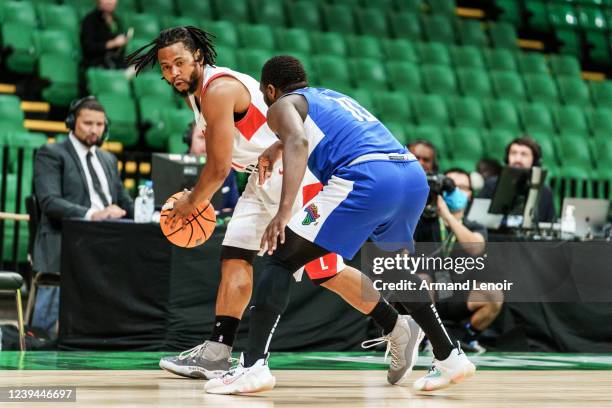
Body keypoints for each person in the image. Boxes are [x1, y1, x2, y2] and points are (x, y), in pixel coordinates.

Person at [126, 27, 421, 384]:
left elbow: (218, 168)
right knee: (235, 252)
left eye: (179, 63)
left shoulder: (218, 90)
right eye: (166, 66)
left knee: (324, 269)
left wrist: (191, 202)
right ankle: (217, 352)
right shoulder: (201, 92)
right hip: (262, 174)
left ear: (199, 58)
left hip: (297, 177)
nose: (173, 72)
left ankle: (397, 324)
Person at [204, 56, 475, 395]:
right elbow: (308, 134)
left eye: (264, 92)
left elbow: (298, 142)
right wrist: (275, 148)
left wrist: (283, 211)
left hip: (367, 177)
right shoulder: (329, 96)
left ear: (270, 89)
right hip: (409, 175)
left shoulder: (281, 104)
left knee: (279, 256)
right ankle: (449, 355)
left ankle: (253, 366)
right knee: (390, 269)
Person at [32, 96, 133, 333]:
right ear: (71, 122)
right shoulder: (51, 153)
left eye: (99, 125)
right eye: (88, 123)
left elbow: (125, 202)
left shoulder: (108, 159)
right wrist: (93, 214)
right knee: (44, 331)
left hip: (106, 240)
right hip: (66, 238)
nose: (94, 130)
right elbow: (49, 202)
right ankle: (40, 339)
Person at [418, 168, 502, 353]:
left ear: (470, 194)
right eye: (451, 186)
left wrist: (448, 217)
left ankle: (467, 337)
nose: (456, 191)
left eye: (462, 187)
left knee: (494, 294)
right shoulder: (424, 220)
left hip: (458, 293)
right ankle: (425, 337)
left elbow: (476, 247)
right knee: (420, 282)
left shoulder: (474, 225)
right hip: (430, 290)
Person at [478, 136, 556, 223]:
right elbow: (477, 221)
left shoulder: (545, 191)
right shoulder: (491, 185)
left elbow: (550, 225)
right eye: (513, 153)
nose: (517, 159)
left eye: (524, 154)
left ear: (535, 161)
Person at [183, 121, 239, 213]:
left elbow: (233, 208)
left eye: (211, 138)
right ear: (189, 139)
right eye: (201, 137)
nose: (206, 143)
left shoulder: (226, 170)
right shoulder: (169, 168)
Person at [80, 0, 129, 69]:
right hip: (98, 62)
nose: (110, 2)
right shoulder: (90, 20)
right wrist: (113, 43)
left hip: (116, 59)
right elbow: (89, 47)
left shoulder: (117, 20)